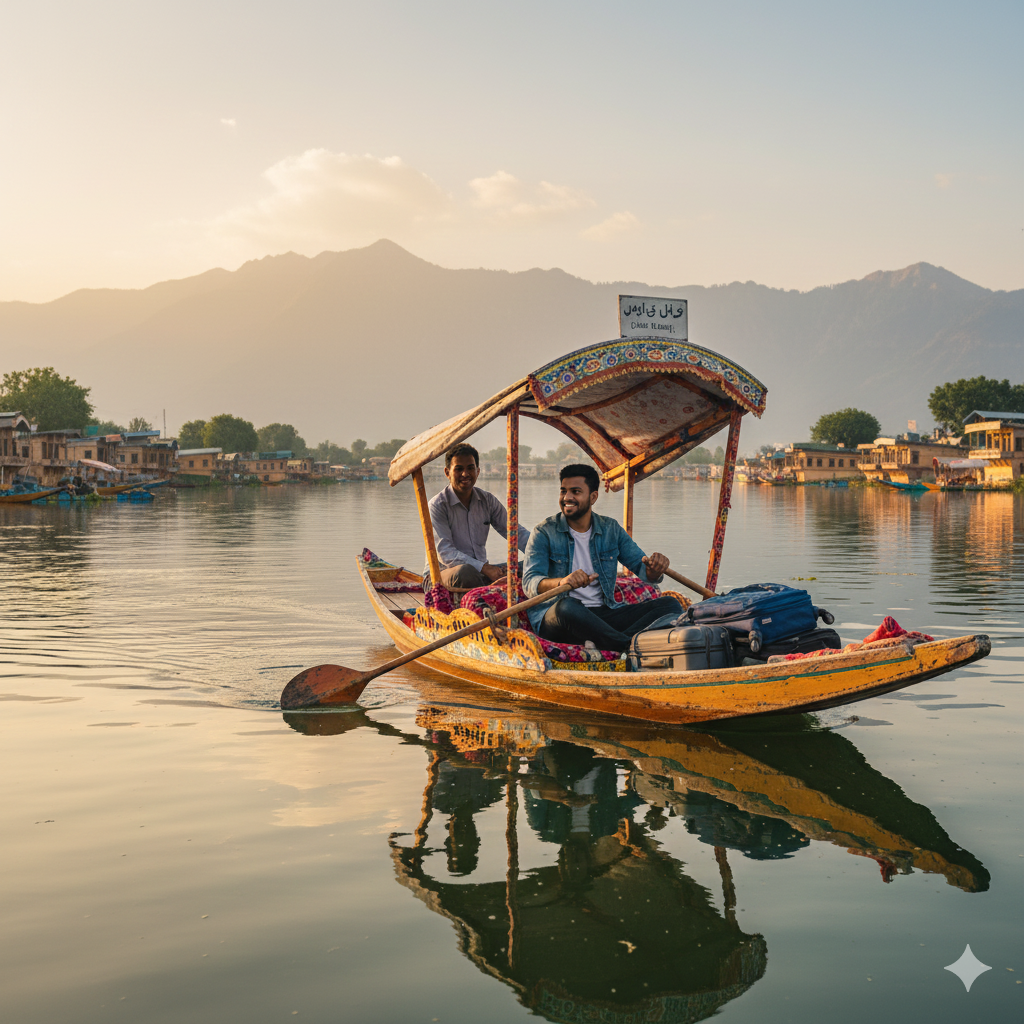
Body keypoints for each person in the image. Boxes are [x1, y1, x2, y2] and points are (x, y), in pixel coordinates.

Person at [522, 464, 681, 651]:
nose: (567, 498)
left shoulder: (611, 529)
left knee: (670, 605)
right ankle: (626, 645)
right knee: (566, 606)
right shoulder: (544, 532)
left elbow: (643, 570)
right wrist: (563, 582)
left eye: (575, 491)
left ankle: (609, 640)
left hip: (603, 614)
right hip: (559, 617)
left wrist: (655, 570)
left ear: (593, 497)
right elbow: (530, 583)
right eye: (563, 491)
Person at [425, 442, 530, 591]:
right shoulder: (438, 505)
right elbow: (445, 553)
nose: (465, 474)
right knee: (465, 571)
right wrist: (485, 568)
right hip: (442, 575)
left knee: (529, 565)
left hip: (481, 572)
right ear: (447, 473)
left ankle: (492, 587)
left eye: (470, 468)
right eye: (459, 469)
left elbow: (515, 532)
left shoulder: (488, 500)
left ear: (478, 471)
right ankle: (492, 589)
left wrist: (540, 551)